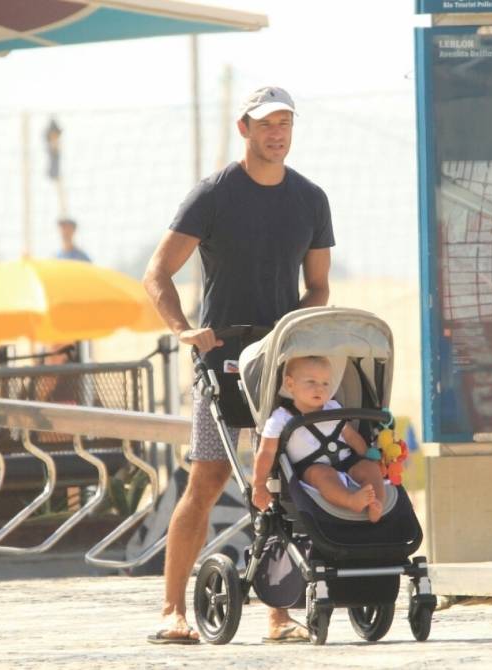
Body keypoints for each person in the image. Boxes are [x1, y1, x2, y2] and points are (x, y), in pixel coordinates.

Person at [142, 86, 333, 645]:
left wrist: (292, 331)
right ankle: (171, 610)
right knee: (208, 478)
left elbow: (318, 286)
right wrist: (184, 331)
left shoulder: (310, 198)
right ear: (243, 129)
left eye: (285, 122)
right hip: (220, 358)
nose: (277, 132)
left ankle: (279, 613)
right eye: (266, 123)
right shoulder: (215, 194)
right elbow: (158, 274)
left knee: (286, 477)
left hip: (281, 361)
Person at [250, 356, 385, 521]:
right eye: (311, 382)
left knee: (371, 469)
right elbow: (266, 452)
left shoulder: (334, 408)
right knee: (323, 476)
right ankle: (351, 501)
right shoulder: (281, 417)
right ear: (290, 384)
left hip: (346, 461)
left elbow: (351, 436)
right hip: (311, 467)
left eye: (325, 384)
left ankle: (376, 503)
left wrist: (366, 455)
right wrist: (259, 484)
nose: (319, 389)